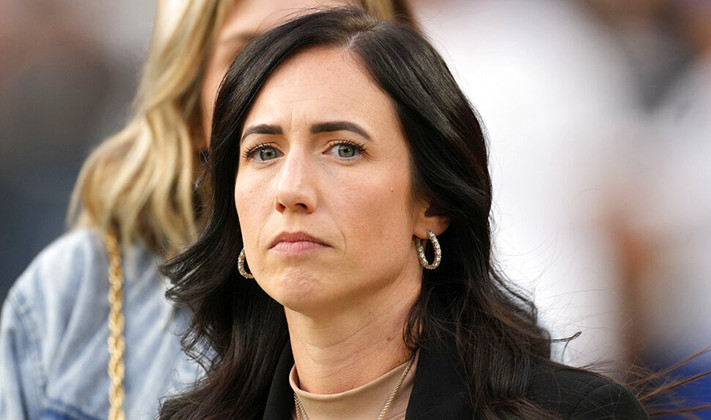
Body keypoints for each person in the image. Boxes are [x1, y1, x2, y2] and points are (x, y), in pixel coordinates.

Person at [159, 7, 649, 419]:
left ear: (432, 203)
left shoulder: (575, 413)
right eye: (264, 152)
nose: (291, 190)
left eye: (344, 149)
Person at [0, 1, 416, 419]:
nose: (290, 86)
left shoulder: (474, 367)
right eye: (249, 56)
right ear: (189, 103)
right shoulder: (72, 299)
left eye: (328, 41)